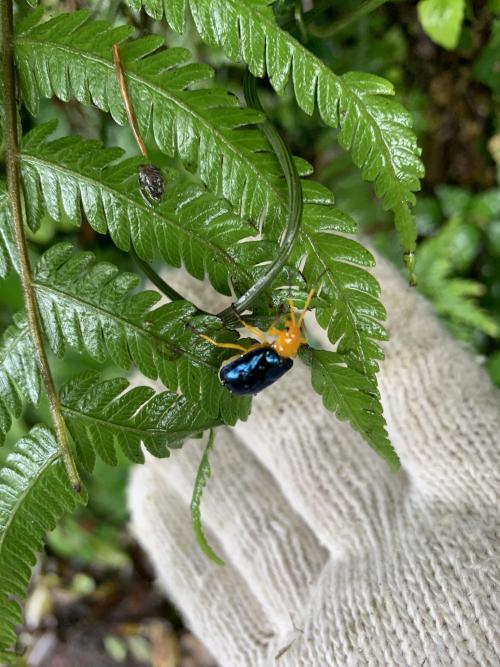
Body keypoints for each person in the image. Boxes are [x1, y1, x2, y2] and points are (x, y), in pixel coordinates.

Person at [128, 254, 500, 666]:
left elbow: (254, 342)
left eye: (292, 328)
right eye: (292, 328)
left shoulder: (280, 351)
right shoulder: (283, 351)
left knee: (235, 348)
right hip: (246, 373)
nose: (292, 328)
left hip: (245, 371)